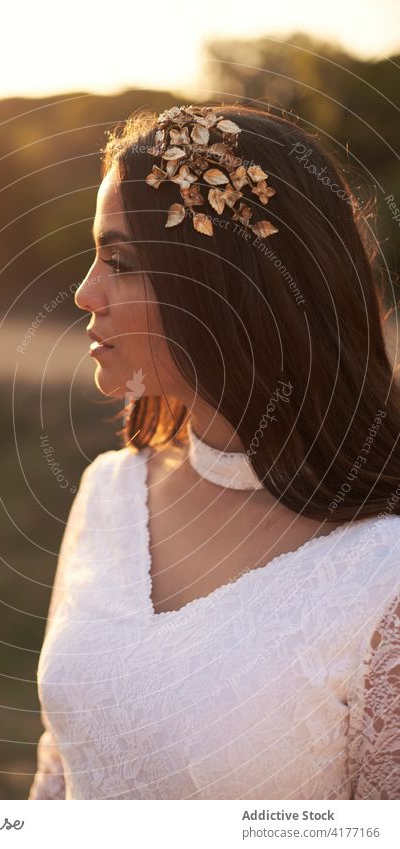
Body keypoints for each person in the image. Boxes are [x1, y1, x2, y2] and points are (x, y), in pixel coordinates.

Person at [28, 103, 400, 800]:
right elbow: (61, 767)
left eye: (123, 261)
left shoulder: (383, 574)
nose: (85, 293)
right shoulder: (109, 493)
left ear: (234, 286)